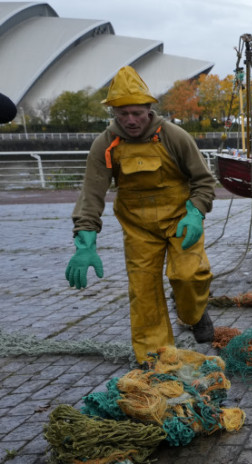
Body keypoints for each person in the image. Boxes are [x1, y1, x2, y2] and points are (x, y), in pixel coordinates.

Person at [66, 66, 216, 363]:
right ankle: (156, 359)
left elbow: (204, 181)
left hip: (179, 222)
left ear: (149, 109)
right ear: (113, 113)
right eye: (123, 113)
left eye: (137, 112)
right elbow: (91, 193)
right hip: (138, 229)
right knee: (144, 294)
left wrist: (196, 212)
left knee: (189, 276)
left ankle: (194, 313)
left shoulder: (174, 136)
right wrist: (85, 238)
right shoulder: (105, 144)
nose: (131, 120)